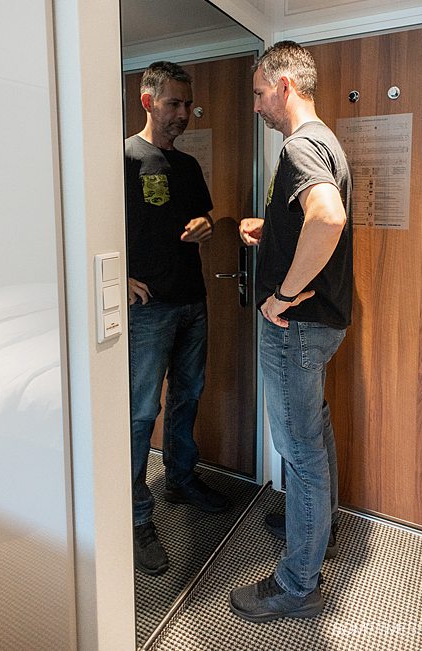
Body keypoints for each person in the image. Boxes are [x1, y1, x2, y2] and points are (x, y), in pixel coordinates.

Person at [230, 41, 353, 622]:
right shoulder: (322, 140)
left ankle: (298, 582)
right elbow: (308, 219)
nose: (255, 105)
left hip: (297, 324)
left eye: (258, 93)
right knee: (315, 431)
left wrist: (279, 296)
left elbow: (327, 216)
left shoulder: (302, 145)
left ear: (283, 85)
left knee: (299, 453)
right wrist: (270, 227)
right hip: (318, 323)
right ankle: (316, 530)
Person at [125, 60, 229, 577]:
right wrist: (116, 278)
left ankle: (182, 480)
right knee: (142, 413)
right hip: (147, 311)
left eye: (188, 104)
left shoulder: (186, 167)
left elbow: (204, 216)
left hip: (192, 300)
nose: (183, 114)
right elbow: (86, 224)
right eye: (174, 104)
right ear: (148, 102)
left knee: (189, 395)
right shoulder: (121, 157)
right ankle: (136, 517)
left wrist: (206, 227)